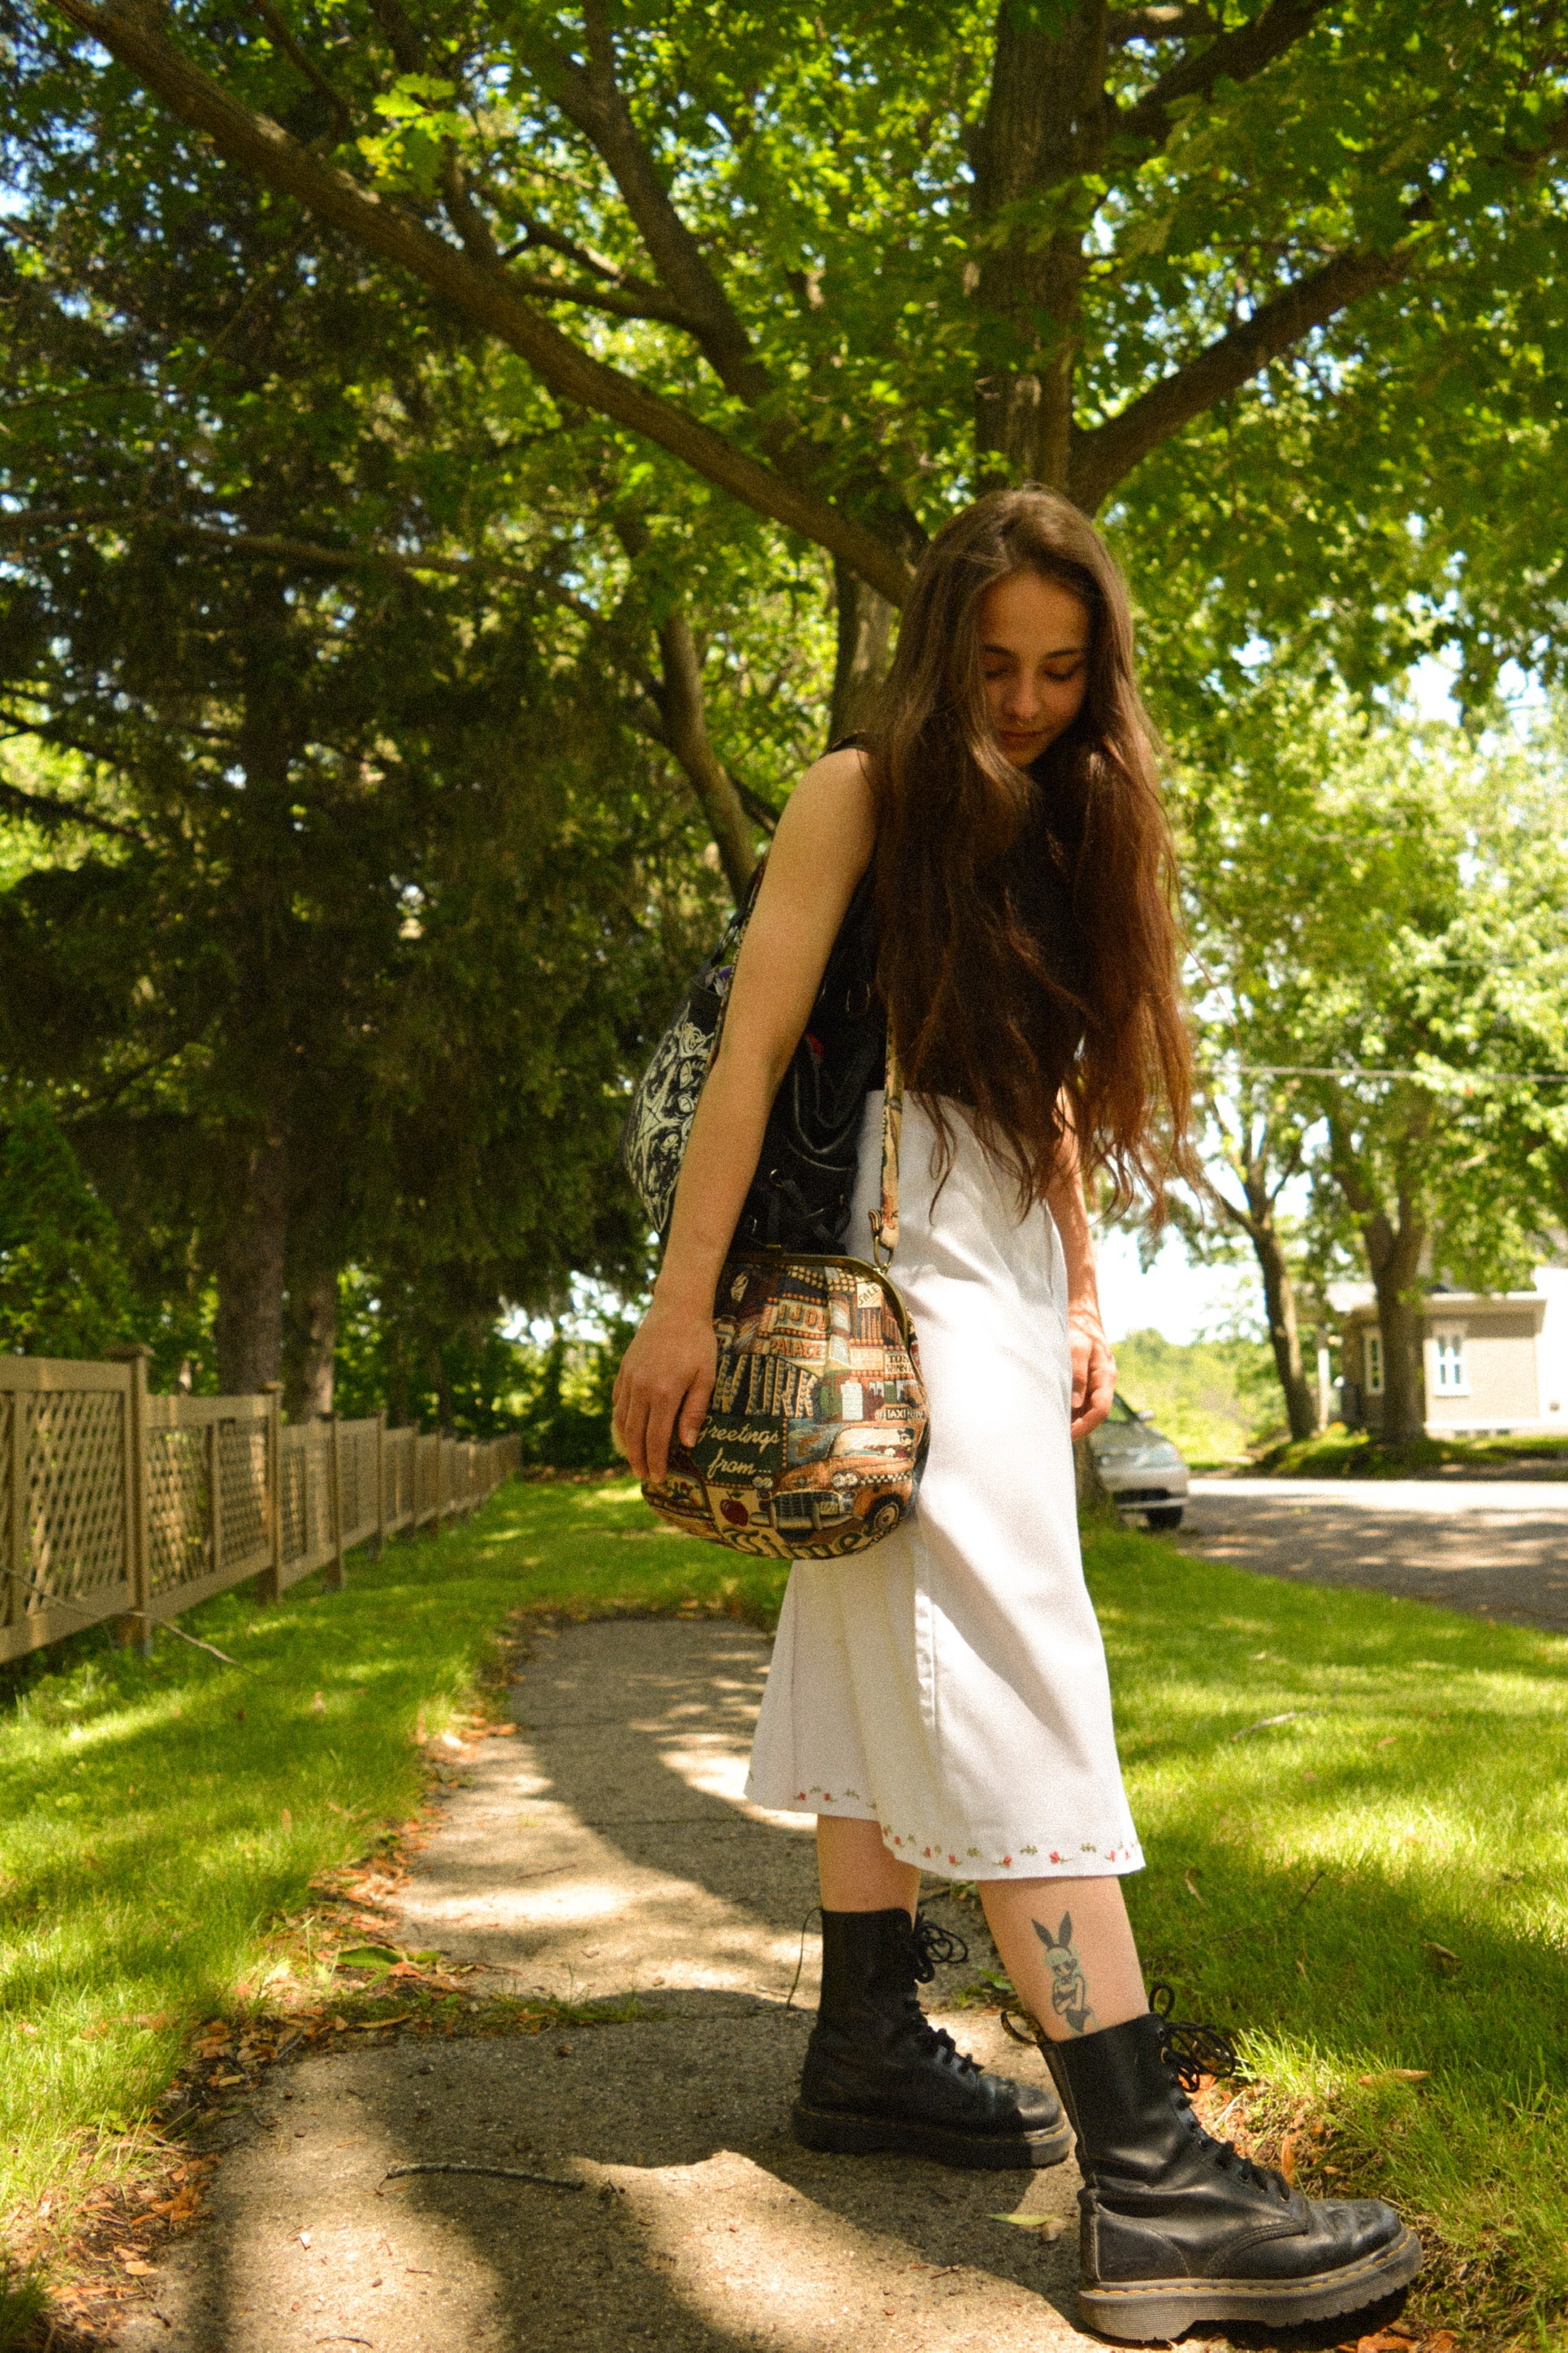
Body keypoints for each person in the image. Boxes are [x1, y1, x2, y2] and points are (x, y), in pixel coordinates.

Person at [612, 487, 1420, 2342]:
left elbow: (1040, 1080)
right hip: (884, 1261)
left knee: (865, 1628)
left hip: (992, 1255)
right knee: (1015, 1661)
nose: (1032, 699)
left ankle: (868, 2039)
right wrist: (677, 1308)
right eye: (996, 666)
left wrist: (1083, 1280)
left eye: (1065, 670)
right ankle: (1149, 2183)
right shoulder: (859, 794)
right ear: (936, 652)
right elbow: (751, 1049)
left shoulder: (1068, 812)